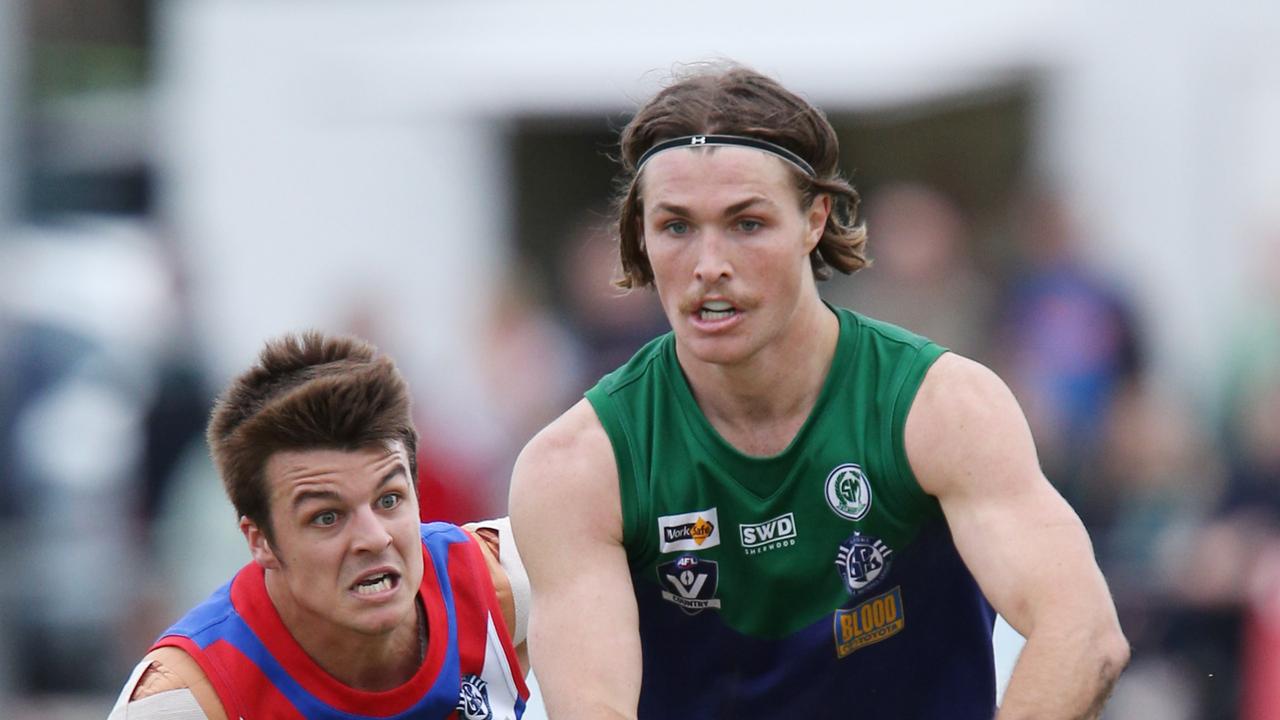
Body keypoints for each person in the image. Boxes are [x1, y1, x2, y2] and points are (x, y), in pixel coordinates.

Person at [508, 64, 1129, 718]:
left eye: (746, 223)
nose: (708, 264)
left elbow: (1084, 635)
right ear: (641, 234)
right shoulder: (578, 467)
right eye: (676, 227)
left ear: (814, 220)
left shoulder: (940, 407)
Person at [109, 331, 529, 719]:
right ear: (261, 542)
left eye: (389, 500)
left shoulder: (508, 582)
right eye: (327, 517)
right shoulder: (185, 699)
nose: (374, 537)